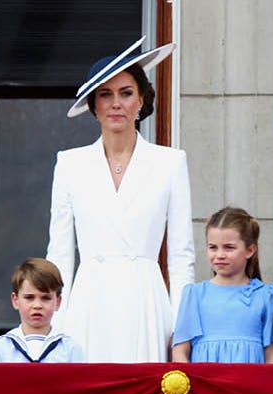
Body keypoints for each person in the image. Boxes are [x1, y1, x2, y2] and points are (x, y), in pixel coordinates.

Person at [46, 37, 194, 363]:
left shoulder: (171, 162)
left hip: (146, 300)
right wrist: (58, 320)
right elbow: (59, 254)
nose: (116, 103)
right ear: (93, 104)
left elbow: (182, 257)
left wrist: (180, 327)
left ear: (141, 100)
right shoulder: (70, 164)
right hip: (88, 301)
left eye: (126, 93)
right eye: (105, 94)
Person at [172, 207, 273, 363]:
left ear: (250, 250)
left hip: (249, 384)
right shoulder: (194, 294)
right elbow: (180, 351)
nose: (220, 255)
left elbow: (271, 353)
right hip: (205, 383)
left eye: (229, 247)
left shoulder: (265, 295)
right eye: (213, 247)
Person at [0, 257, 83, 363]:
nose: (37, 305)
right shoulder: (1, 349)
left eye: (46, 298)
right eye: (29, 297)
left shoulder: (70, 349)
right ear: (15, 300)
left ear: (58, 302)